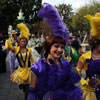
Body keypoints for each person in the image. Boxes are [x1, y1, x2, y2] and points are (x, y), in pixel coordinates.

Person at [29, 3, 82, 100]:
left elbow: (70, 88)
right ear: (49, 47)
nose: (60, 50)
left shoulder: (65, 64)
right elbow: (32, 92)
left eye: (62, 47)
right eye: (56, 46)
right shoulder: (37, 67)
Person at [76, 12, 100, 100]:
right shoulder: (85, 57)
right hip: (90, 94)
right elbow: (76, 72)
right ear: (96, 43)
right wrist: (83, 82)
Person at [8, 23, 34, 100]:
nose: (23, 42)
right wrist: (11, 37)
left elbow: (31, 59)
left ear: (26, 42)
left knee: (28, 89)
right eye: (22, 41)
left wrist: (34, 67)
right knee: (22, 86)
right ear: (20, 42)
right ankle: (22, 86)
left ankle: (26, 97)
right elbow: (10, 46)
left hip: (29, 70)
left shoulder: (29, 50)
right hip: (21, 71)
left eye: (25, 41)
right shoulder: (16, 50)